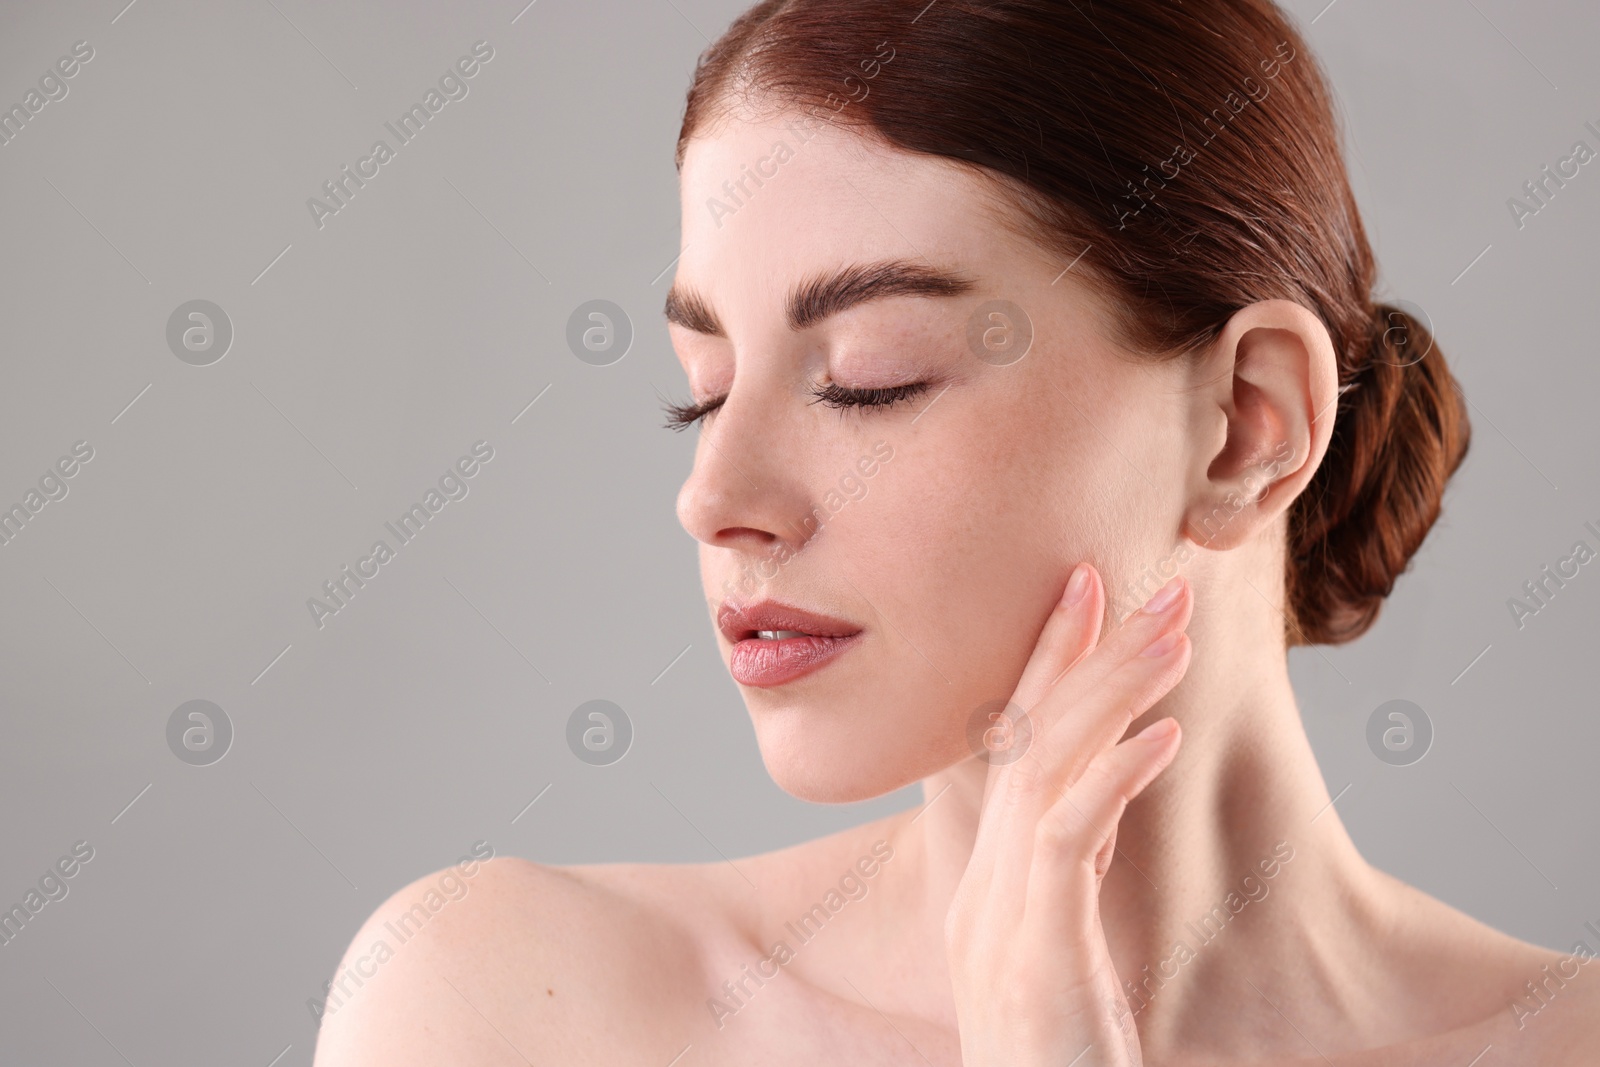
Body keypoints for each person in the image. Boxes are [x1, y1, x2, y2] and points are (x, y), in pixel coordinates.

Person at [313, 1, 1600, 1062]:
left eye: (871, 375)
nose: (713, 496)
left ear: (1247, 425)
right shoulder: (503, 1006)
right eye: (700, 390)